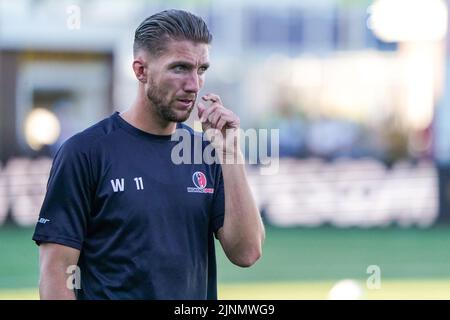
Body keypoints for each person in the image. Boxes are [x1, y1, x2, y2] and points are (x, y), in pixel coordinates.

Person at [32, 9, 265, 300]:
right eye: (179, 68)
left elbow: (247, 252)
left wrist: (230, 153)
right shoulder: (85, 152)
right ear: (141, 71)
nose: (194, 84)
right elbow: (56, 273)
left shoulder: (206, 152)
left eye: (201, 69)